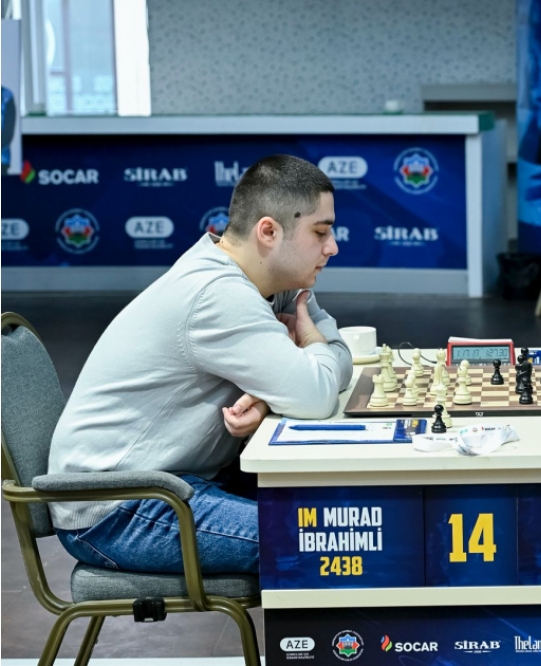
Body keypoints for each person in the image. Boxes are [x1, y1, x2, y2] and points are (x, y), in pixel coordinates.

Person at [48, 154, 353, 575]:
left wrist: (272, 394)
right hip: (119, 505)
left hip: (177, 480)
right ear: (268, 231)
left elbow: (340, 360)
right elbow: (317, 393)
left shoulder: (273, 281)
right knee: (321, 541)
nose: (332, 246)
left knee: (345, 511)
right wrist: (311, 347)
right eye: (320, 232)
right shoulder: (218, 294)